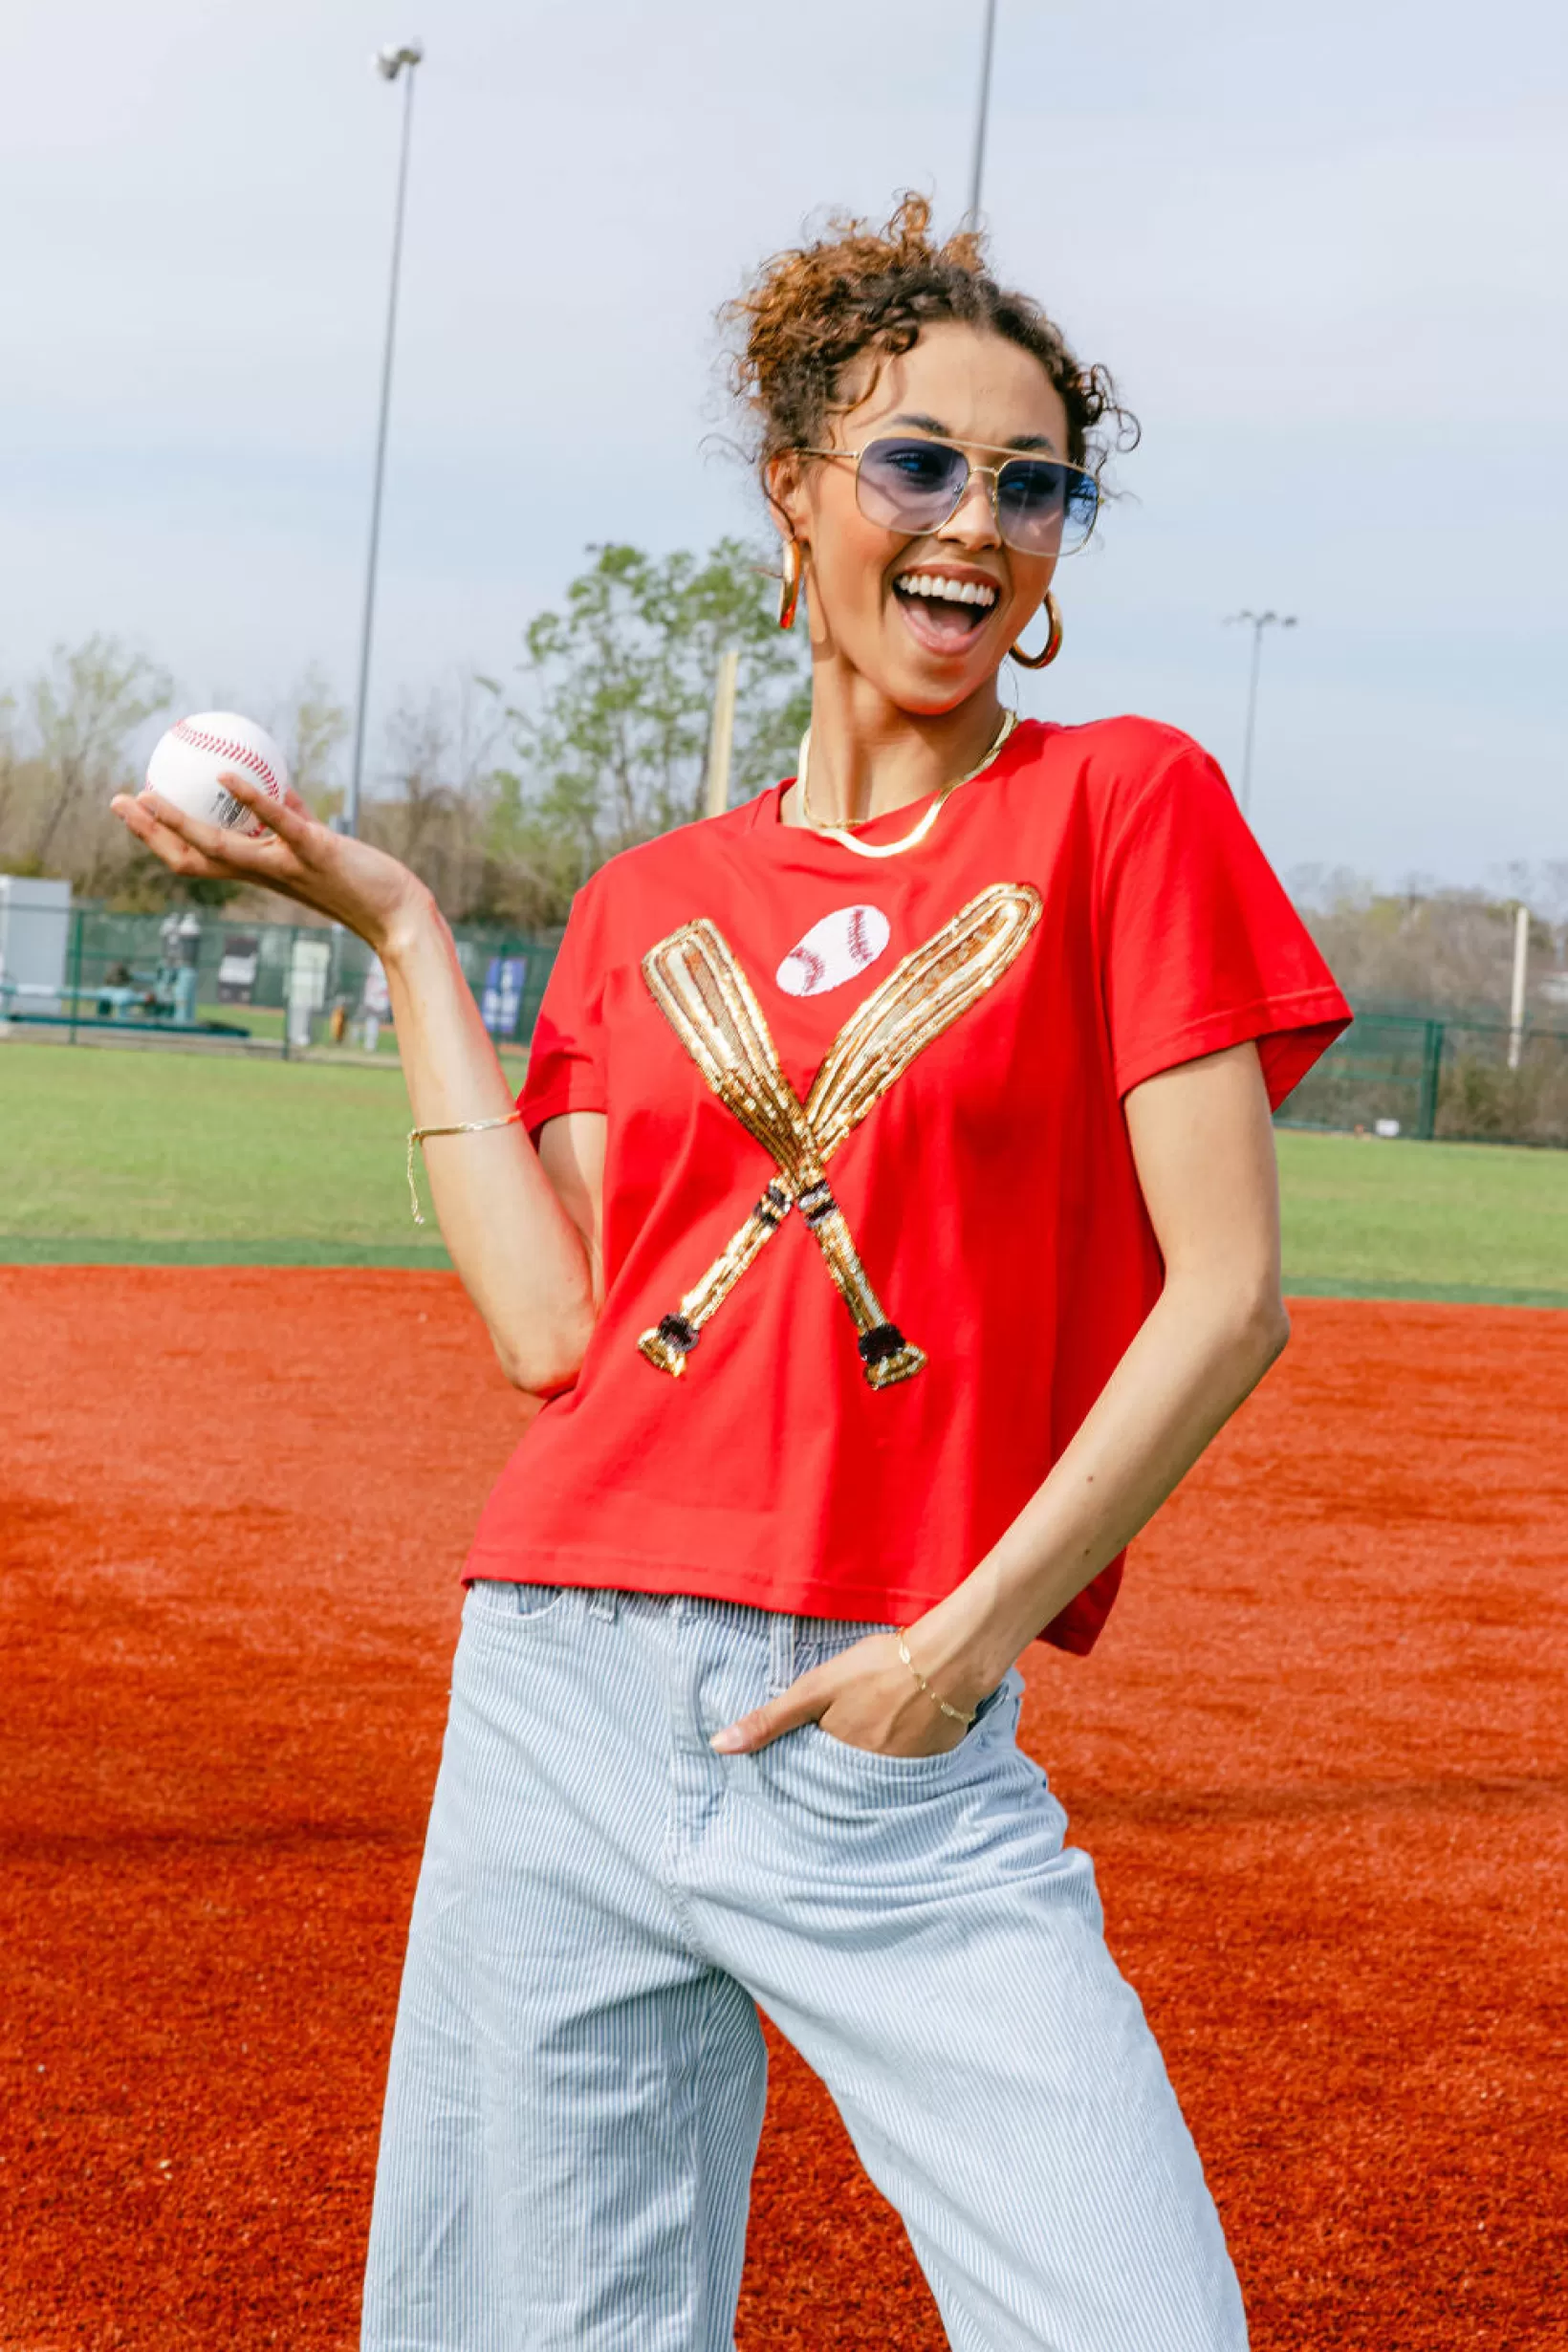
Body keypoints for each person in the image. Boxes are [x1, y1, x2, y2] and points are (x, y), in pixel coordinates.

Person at [114, 196, 1350, 2352]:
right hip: (557, 1702)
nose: (979, 520)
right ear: (796, 493)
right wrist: (407, 933)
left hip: (880, 1728)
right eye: (921, 463)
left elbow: (1227, 1294)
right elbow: (549, 1333)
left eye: (1033, 482)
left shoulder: (1121, 809)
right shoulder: (641, 901)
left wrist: (949, 1658)